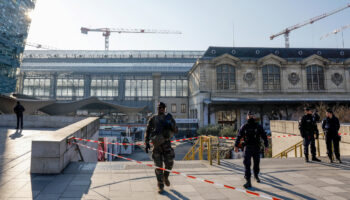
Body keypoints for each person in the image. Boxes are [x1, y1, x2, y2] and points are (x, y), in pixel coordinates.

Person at [145, 102, 177, 194]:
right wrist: (146, 142)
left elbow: (176, 130)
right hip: (157, 146)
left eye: (163, 107)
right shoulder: (153, 118)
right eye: (160, 108)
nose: (161, 109)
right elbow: (147, 131)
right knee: (158, 167)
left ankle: (165, 177)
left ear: (165, 109)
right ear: (157, 109)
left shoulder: (169, 118)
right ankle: (160, 185)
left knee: (169, 163)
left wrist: (170, 125)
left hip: (167, 145)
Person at [234, 111, 268, 189]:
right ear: (247, 117)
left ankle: (256, 175)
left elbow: (264, 136)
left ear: (254, 117)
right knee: (247, 163)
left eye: (252, 116)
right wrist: (236, 146)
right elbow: (239, 136)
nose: (251, 117)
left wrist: (266, 146)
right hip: (247, 147)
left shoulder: (258, 126)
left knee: (256, 163)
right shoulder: (244, 126)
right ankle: (248, 181)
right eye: (249, 116)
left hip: (256, 147)